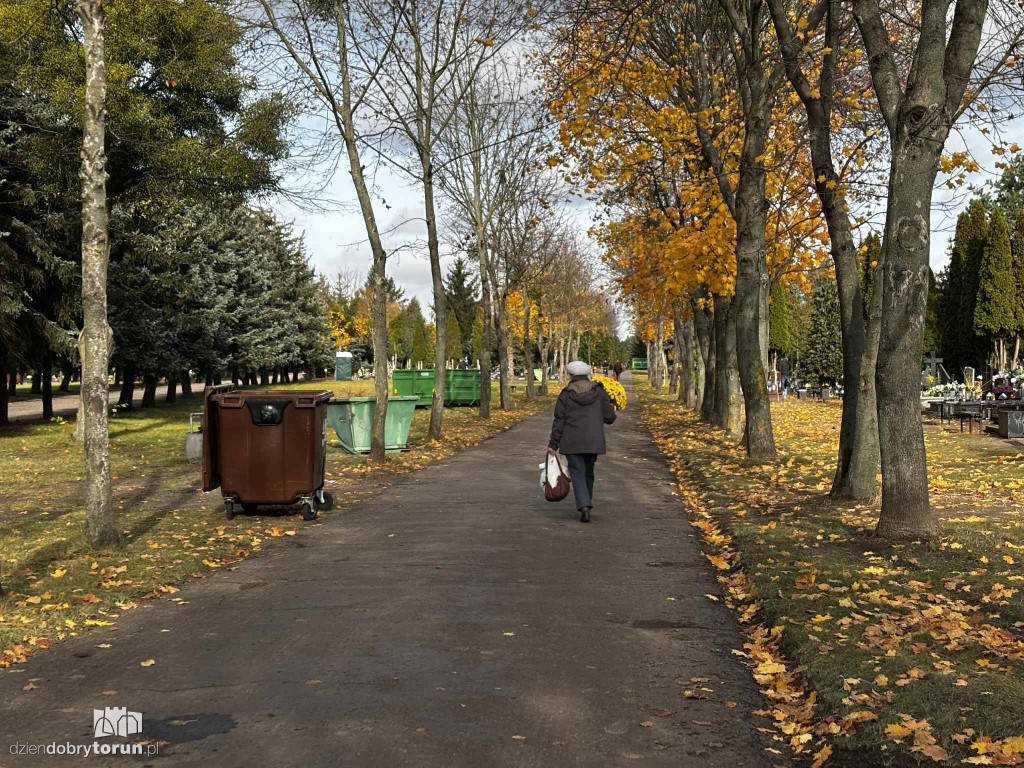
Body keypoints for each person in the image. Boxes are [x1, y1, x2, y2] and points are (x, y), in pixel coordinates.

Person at [547, 360, 617, 523]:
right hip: (593, 440)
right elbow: (610, 417)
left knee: (577, 472)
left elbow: (559, 420)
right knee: (588, 472)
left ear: (570, 375)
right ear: (587, 374)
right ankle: (586, 503)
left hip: (572, 440)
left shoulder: (566, 394)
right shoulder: (599, 391)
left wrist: (553, 444)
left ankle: (584, 506)